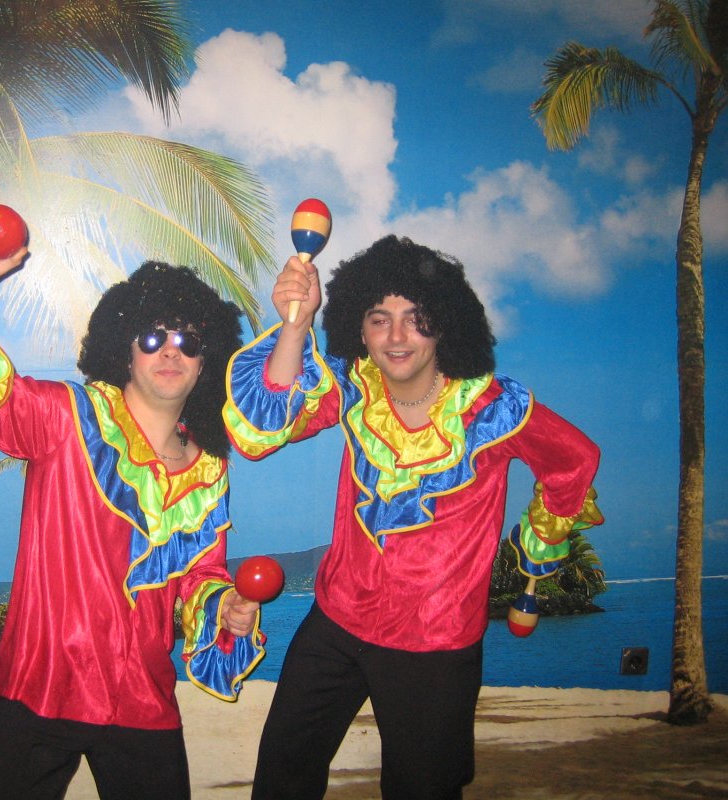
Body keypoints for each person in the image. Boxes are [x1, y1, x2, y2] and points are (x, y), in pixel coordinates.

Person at [0, 210, 267, 800]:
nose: (171, 352)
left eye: (188, 341)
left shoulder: (208, 469)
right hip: (38, 692)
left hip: (141, 699)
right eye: (153, 337)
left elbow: (198, 576)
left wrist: (226, 608)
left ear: (206, 360)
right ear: (125, 349)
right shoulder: (67, 417)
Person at [223, 235, 604, 799]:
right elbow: (259, 434)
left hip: (435, 641)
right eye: (379, 320)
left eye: (415, 319)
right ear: (360, 330)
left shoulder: (492, 409)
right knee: (283, 772)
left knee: (422, 789)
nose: (396, 337)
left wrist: (544, 533)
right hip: (338, 619)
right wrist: (296, 326)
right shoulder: (354, 387)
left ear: (443, 325)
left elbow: (574, 459)